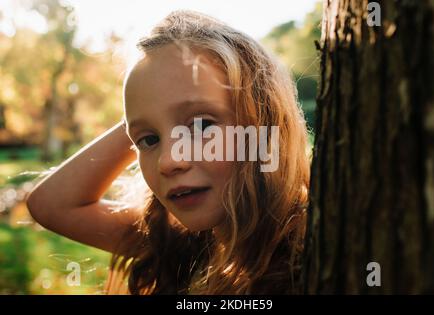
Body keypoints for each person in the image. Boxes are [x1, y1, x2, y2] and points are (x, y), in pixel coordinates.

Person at [26, 10, 310, 295]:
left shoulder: (311, 253)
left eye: (200, 125)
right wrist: (149, 106)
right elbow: (50, 204)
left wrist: (156, 109)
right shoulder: (177, 243)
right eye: (148, 139)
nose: (168, 161)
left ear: (264, 124)